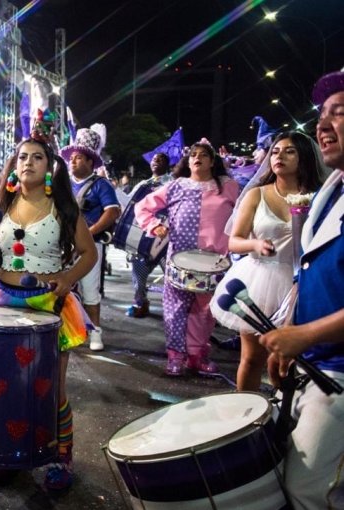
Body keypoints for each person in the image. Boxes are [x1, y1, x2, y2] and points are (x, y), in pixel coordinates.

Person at [0, 134, 97, 490]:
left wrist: (67, 278)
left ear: (49, 167)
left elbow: (88, 253)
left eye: (37, 157)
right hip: (2, 301)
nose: (27, 162)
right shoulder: (4, 203)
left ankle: (60, 457)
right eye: (22, 156)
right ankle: (12, 450)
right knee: (8, 386)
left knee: (50, 390)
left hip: (48, 306)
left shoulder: (63, 207)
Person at [259, 71, 344, 510]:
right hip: (313, 365)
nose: (323, 125)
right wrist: (289, 337)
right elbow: (308, 276)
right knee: (286, 476)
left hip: (340, 374)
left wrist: (306, 336)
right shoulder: (332, 191)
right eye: (322, 116)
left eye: (340, 112)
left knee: (312, 491)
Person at [210, 131, 325, 392]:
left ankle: (285, 414)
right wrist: (255, 244)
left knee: (292, 362)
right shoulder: (257, 195)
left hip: (302, 284)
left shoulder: (319, 197)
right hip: (259, 281)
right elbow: (233, 241)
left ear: (304, 157)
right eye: (275, 151)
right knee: (252, 359)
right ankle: (245, 417)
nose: (279, 156)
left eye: (289, 151)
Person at [135, 140, 240, 376]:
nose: (197, 158)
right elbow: (142, 207)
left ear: (213, 162)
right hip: (179, 261)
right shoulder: (176, 186)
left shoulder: (228, 187)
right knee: (175, 308)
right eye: (193, 154)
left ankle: (197, 356)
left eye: (203, 154)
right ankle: (175, 357)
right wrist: (155, 226)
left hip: (214, 262)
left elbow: (243, 215)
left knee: (205, 311)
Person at [60, 125, 120, 351]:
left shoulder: (101, 185)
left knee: (89, 290)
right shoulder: (62, 184)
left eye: (78, 158)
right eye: (71, 158)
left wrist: (88, 233)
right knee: (59, 286)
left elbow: (112, 211)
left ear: (90, 162)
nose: (73, 162)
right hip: (61, 245)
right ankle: (64, 328)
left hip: (90, 246)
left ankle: (95, 331)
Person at [127, 152, 174, 318]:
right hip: (143, 238)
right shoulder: (142, 185)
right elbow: (129, 204)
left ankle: (174, 308)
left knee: (171, 277)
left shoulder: (173, 183)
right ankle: (141, 303)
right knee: (138, 276)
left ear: (167, 164)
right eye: (154, 159)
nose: (156, 162)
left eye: (161, 160)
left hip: (165, 240)